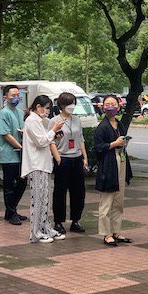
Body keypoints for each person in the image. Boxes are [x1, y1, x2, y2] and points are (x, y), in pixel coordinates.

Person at [21, 95, 66, 244]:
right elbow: (41, 141)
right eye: (46, 108)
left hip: (43, 165)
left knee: (45, 199)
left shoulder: (37, 121)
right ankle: (35, 232)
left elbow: (44, 139)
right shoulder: (31, 120)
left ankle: (45, 228)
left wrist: (54, 136)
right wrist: (53, 130)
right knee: (38, 199)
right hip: (36, 165)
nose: (47, 112)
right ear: (38, 107)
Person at [94, 95, 133, 247]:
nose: (110, 107)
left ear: (118, 106)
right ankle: (106, 233)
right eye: (107, 104)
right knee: (107, 201)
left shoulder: (119, 124)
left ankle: (116, 231)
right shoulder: (102, 127)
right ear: (103, 107)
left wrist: (123, 143)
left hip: (121, 160)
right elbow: (98, 148)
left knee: (119, 200)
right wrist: (113, 144)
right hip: (109, 165)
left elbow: (121, 142)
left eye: (113, 104)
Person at [51, 92, 88, 235]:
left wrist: (85, 157)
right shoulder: (54, 121)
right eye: (68, 103)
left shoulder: (77, 120)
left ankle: (75, 220)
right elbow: (51, 141)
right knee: (60, 191)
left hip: (77, 158)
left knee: (78, 191)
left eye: (73, 103)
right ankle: (58, 222)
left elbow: (81, 139)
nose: (71, 106)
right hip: (63, 158)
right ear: (61, 105)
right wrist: (57, 158)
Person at [0, 85, 28, 226]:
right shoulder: (3, 113)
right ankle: (11, 213)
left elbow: (22, 130)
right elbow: (5, 134)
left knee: (22, 182)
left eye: (18, 95)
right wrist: (20, 146)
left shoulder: (19, 112)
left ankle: (11, 210)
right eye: (13, 95)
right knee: (9, 186)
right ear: (5, 97)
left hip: (20, 155)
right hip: (9, 155)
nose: (16, 98)